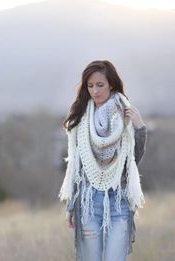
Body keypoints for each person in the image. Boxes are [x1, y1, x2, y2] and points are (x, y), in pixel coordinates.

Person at [58, 60, 147, 261]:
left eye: (100, 85)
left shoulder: (125, 116)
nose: (95, 91)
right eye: (90, 86)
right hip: (88, 202)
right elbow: (77, 168)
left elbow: (135, 159)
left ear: (112, 84)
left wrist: (139, 127)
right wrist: (71, 206)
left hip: (119, 202)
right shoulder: (80, 119)